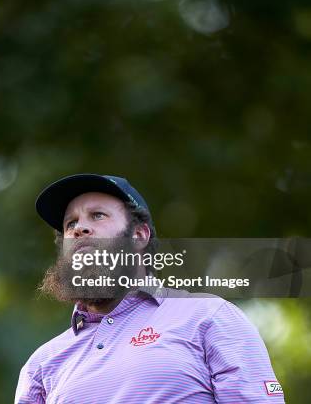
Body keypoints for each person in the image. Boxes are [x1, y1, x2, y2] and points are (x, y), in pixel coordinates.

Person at [15, 173, 285, 403]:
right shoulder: (42, 364)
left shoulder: (210, 317)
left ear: (139, 235)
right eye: (70, 223)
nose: (80, 228)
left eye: (97, 215)